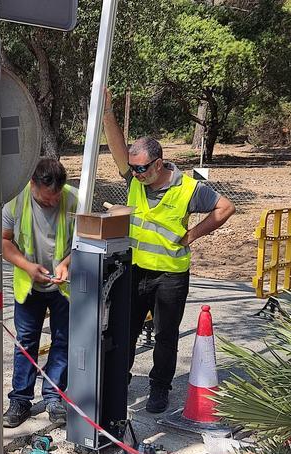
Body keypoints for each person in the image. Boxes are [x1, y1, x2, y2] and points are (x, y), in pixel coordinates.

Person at [101, 91, 236, 414]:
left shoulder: (188, 188)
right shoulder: (135, 180)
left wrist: (192, 234)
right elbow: (118, 149)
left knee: (165, 337)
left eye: (142, 168)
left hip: (170, 276)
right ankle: (118, 382)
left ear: (159, 163)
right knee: (126, 331)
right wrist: (107, 111)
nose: (135, 174)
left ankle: (159, 388)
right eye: (132, 169)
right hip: (135, 272)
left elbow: (225, 207)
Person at [2, 158, 78, 428]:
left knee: (62, 340)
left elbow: (86, 241)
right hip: (29, 285)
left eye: (56, 198)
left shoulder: (74, 200)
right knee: (25, 343)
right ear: (33, 184)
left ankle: (54, 397)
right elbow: (3, 240)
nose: (52, 204)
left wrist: (66, 264)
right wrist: (27, 266)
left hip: (63, 286)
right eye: (46, 200)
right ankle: (20, 399)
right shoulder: (14, 199)